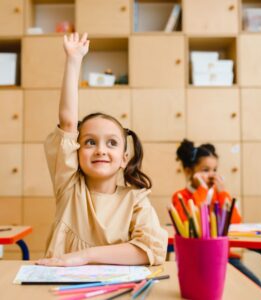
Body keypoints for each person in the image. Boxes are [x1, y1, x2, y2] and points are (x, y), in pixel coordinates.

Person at [36, 32, 167, 267]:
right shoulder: (69, 187)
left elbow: (150, 250)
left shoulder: (136, 200)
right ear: (75, 152)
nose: (100, 150)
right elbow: (67, 123)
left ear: (124, 159)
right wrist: (74, 60)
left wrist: (85, 256)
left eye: (112, 143)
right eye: (89, 142)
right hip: (61, 287)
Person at [172, 139, 261, 289]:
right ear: (189, 171)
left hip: (223, 258)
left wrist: (222, 193)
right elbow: (188, 224)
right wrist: (201, 190)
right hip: (197, 260)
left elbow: (234, 223)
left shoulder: (217, 194)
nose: (212, 175)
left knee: (258, 287)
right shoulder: (180, 196)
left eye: (214, 170)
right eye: (205, 170)